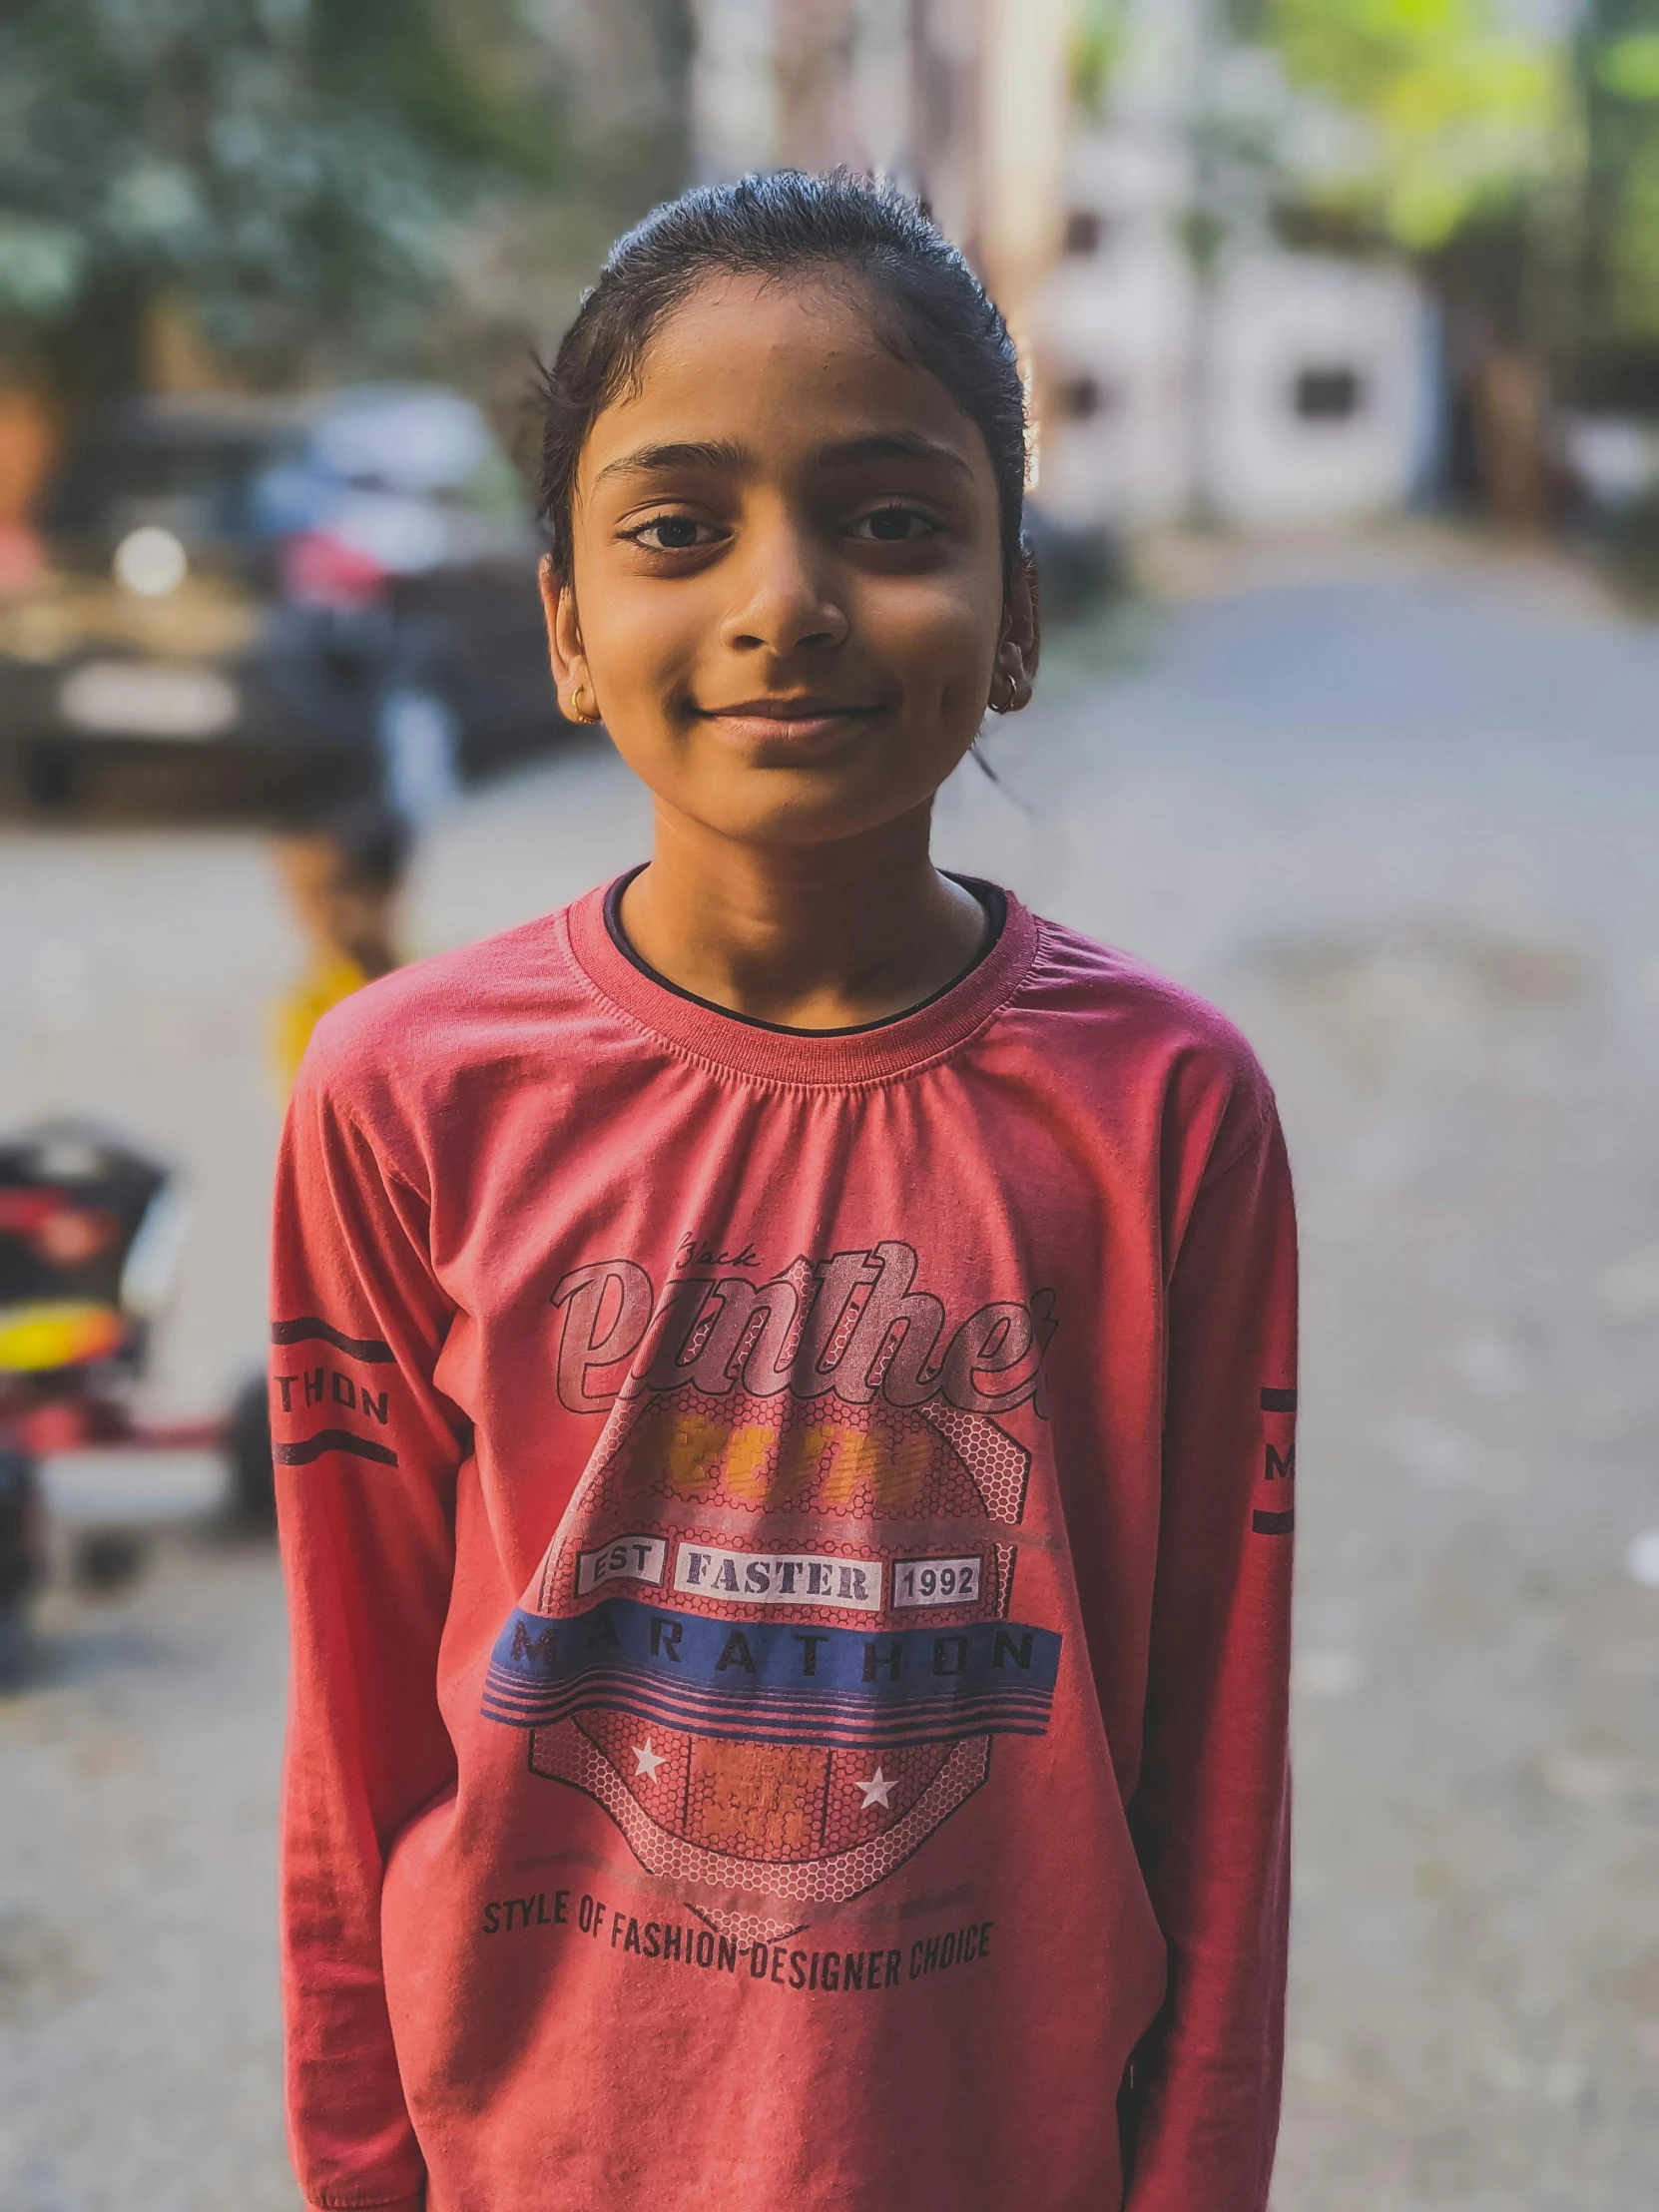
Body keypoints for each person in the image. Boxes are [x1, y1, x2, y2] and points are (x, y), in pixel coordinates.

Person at [271, 172, 1296, 2212]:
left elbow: (1217, 1773)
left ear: (1016, 618)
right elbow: (355, 1744)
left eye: (894, 521)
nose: (784, 599)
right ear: (566, 622)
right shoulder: (403, 1094)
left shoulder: (1168, 1113)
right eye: (677, 528)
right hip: (537, 2154)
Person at [270, 797, 411, 1093]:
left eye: (331, 892)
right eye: (301, 895)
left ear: (384, 888)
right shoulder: (305, 1013)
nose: (316, 913)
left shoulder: (435, 983)